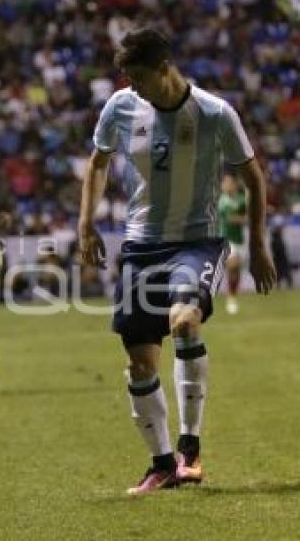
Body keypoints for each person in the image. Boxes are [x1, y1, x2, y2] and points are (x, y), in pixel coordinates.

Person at [78, 27, 277, 496]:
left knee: (185, 321)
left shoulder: (213, 113)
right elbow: (98, 163)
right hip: (141, 245)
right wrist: (86, 224)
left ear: (164, 67)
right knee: (140, 364)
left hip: (196, 241)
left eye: (138, 75)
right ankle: (163, 464)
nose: (131, 84)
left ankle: (190, 449)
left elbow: (253, 178)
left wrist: (258, 243)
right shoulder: (121, 107)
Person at [217, 173, 247, 314]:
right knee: (233, 264)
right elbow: (230, 218)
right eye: (224, 183)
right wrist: (244, 219)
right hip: (227, 239)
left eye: (227, 182)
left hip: (240, 240)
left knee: (237, 269)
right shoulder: (223, 201)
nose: (224, 185)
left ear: (234, 185)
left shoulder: (242, 200)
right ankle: (230, 296)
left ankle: (233, 295)